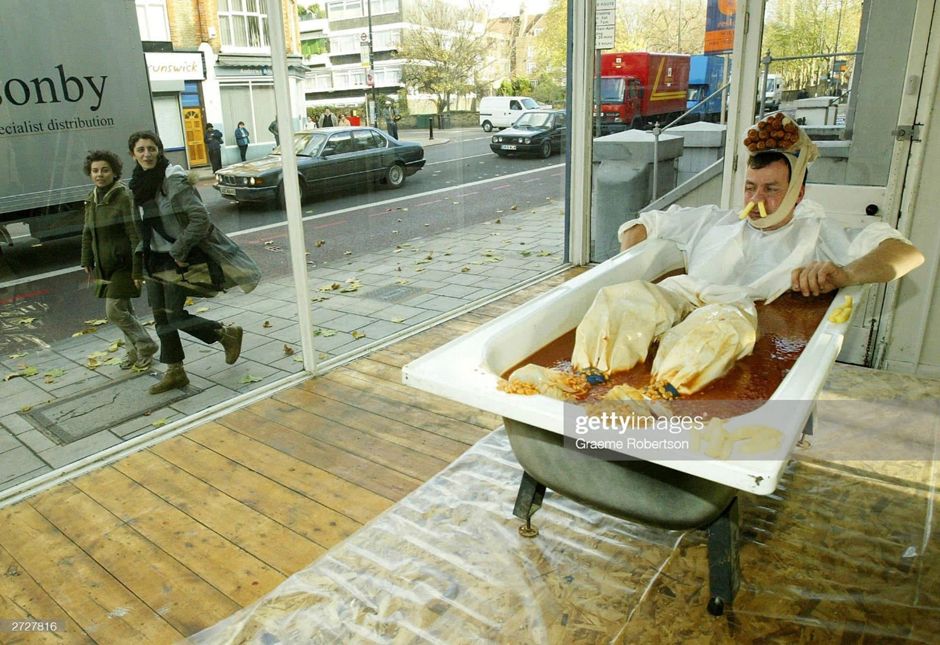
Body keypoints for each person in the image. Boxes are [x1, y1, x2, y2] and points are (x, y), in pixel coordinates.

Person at [573, 114, 924, 394]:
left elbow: (904, 252)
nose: (757, 200)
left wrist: (845, 275)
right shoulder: (712, 220)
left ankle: (654, 397)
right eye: (750, 188)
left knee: (713, 330)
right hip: (680, 298)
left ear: (797, 194)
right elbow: (641, 226)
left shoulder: (817, 233)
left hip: (736, 319)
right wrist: (624, 269)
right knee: (622, 298)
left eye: (771, 190)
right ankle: (585, 381)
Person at [127, 130, 246, 395]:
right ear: (133, 155)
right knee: (161, 319)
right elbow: (140, 230)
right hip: (154, 259)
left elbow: (200, 218)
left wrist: (178, 251)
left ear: (159, 151)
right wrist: (139, 265)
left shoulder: (174, 180)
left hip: (176, 259)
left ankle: (224, 333)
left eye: (151, 149)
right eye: (141, 150)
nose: (147, 154)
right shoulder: (136, 184)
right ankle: (176, 372)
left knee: (173, 316)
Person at [80, 150, 157, 370]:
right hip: (105, 265)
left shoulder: (123, 196)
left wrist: (137, 269)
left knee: (113, 311)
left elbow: (135, 233)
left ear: (114, 172)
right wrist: (87, 258)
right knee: (125, 311)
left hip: (124, 263)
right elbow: (87, 231)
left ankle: (146, 345)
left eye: (105, 170)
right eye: (95, 171)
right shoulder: (92, 198)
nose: (99, 174)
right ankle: (134, 352)